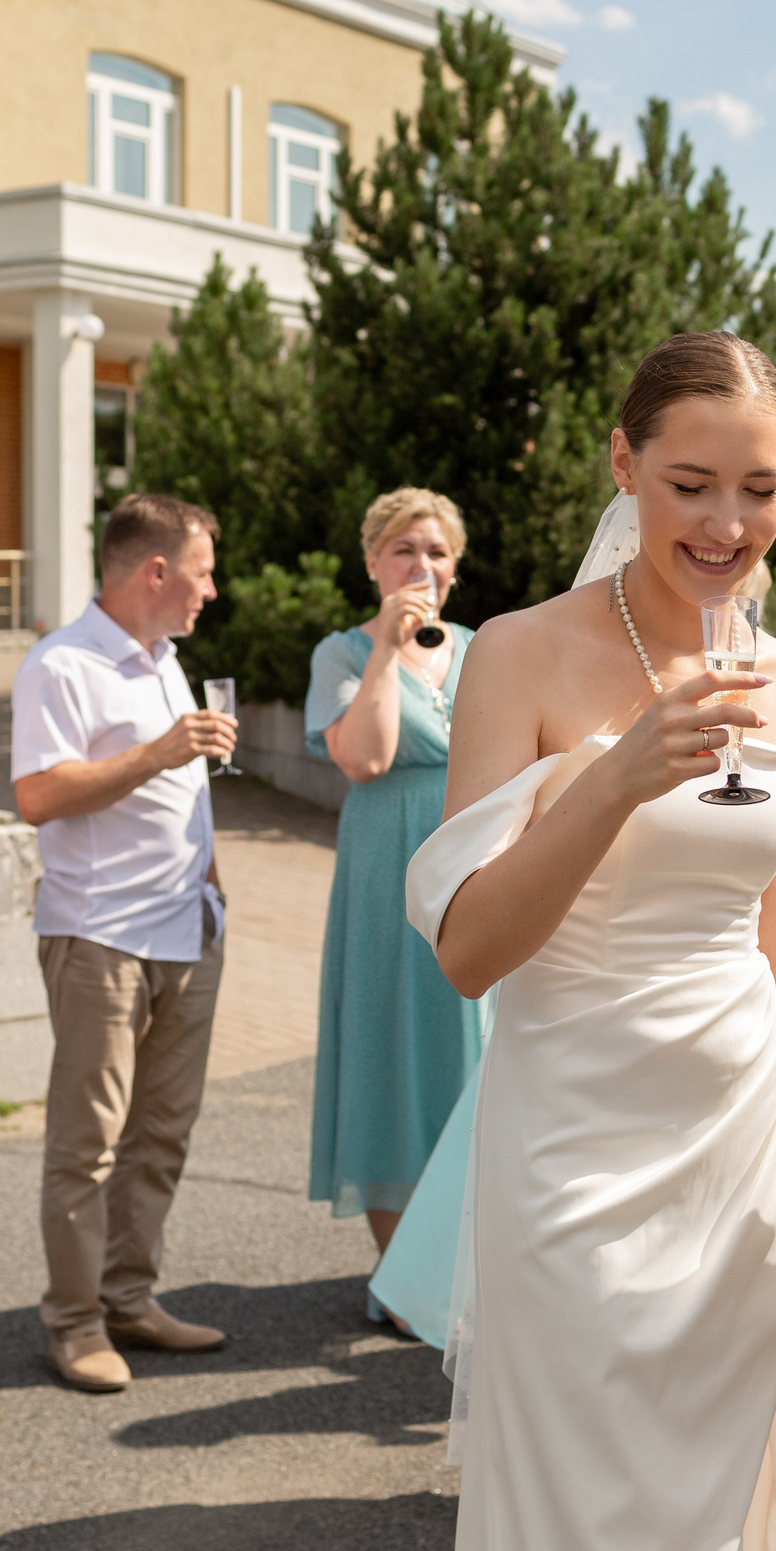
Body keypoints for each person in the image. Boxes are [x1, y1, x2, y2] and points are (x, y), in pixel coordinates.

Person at [407, 332, 776, 1551]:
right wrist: (616, 778)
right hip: (569, 1152)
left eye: (760, 489)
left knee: (714, 1525)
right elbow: (469, 952)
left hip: (741, 1163)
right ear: (624, 464)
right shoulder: (519, 651)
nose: (728, 524)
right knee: (574, 1518)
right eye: (691, 485)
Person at [12, 493, 235, 1393]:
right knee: (89, 1141)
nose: (211, 590)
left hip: (186, 929)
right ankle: (74, 1322)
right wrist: (156, 753)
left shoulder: (167, 660)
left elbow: (186, 792)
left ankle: (129, 1298)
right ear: (155, 570)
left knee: (162, 1132)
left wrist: (215, 881)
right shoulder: (61, 664)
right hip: (100, 934)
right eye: (203, 572)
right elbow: (37, 795)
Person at [304, 489, 484, 1269]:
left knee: (473, 1046)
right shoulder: (342, 653)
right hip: (388, 867)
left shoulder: (484, 648)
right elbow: (367, 757)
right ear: (374, 561)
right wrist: (386, 644)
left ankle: (468, 1262)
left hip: (473, 867)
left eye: (437, 552)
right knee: (390, 1041)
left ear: (456, 567)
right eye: (405, 550)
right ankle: (400, 1266)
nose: (422, 566)